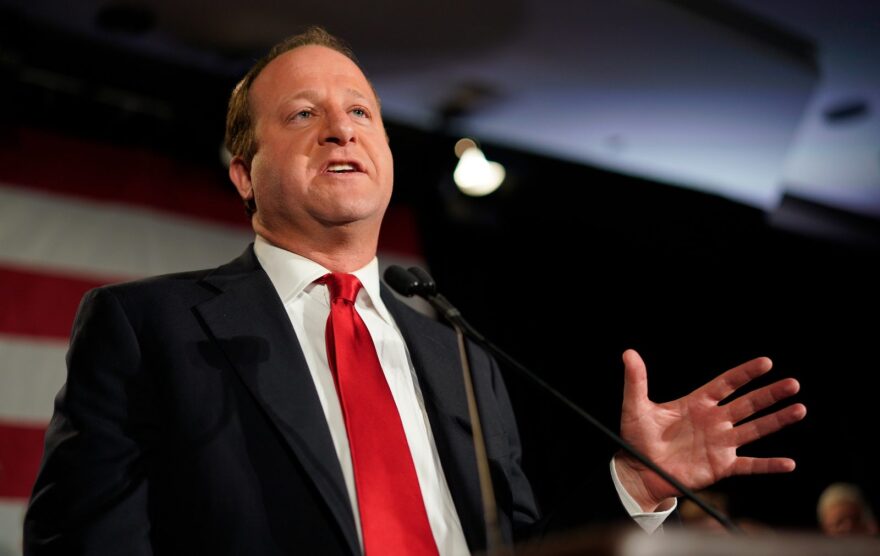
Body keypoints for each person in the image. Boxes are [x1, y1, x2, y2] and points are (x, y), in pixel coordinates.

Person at [23, 27, 806, 555]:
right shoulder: (146, 325)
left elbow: (515, 542)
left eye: (362, 112)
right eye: (304, 114)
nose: (343, 129)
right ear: (242, 175)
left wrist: (632, 482)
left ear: (388, 157)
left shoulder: (456, 345)